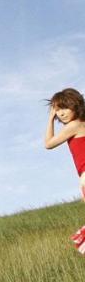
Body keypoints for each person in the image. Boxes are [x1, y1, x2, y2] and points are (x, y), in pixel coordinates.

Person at [45, 87, 85, 252]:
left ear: (75, 105)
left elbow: (48, 144)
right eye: (57, 110)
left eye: (65, 108)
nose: (61, 113)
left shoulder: (73, 126)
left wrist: (50, 119)